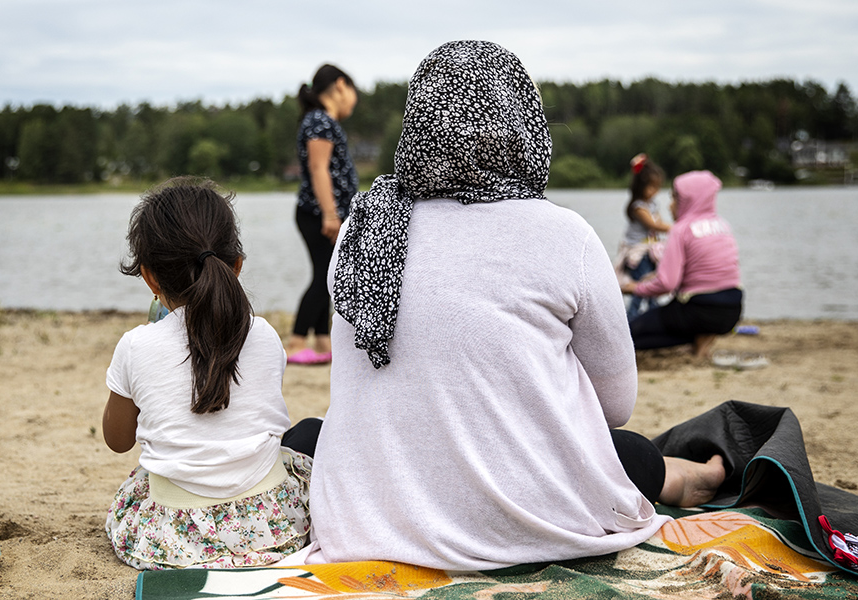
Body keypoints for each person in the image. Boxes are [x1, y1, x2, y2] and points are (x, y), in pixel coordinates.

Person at [308, 41, 725, 570]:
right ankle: (694, 478)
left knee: (314, 435)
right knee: (627, 453)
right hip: (519, 519)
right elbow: (614, 407)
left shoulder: (364, 227)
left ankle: (683, 475)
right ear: (524, 124)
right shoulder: (563, 234)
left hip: (372, 519)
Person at [100, 178, 312, 570]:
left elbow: (117, 440)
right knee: (309, 433)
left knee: (147, 472)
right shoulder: (263, 334)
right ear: (236, 265)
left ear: (149, 277)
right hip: (271, 528)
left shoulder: (136, 346)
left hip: (175, 539)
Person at [623, 170, 743, 358]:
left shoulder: (681, 230)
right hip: (732, 311)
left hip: (700, 310)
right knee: (674, 318)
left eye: (675, 199)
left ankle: (698, 334)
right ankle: (703, 337)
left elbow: (666, 284)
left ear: (689, 200)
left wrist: (634, 288)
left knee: (629, 335)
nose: (670, 206)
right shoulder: (723, 225)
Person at [286, 64, 359, 365]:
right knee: (324, 278)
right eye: (353, 94)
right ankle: (296, 341)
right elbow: (319, 169)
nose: (354, 102)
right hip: (318, 214)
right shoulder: (320, 122)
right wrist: (330, 214)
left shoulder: (321, 121)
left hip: (320, 213)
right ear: (341, 86)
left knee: (326, 274)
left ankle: (321, 341)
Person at [619, 153, 670, 320]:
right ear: (640, 186)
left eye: (657, 187)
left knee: (651, 284)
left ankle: (652, 316)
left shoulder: (653, 204)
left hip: (650, 252)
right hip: (638, 253)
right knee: (640, 286)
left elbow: (659, 222)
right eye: (651, 187)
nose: (655, 191)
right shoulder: (638, 207)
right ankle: (632, 317)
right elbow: (653, 225)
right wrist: (676, 228)